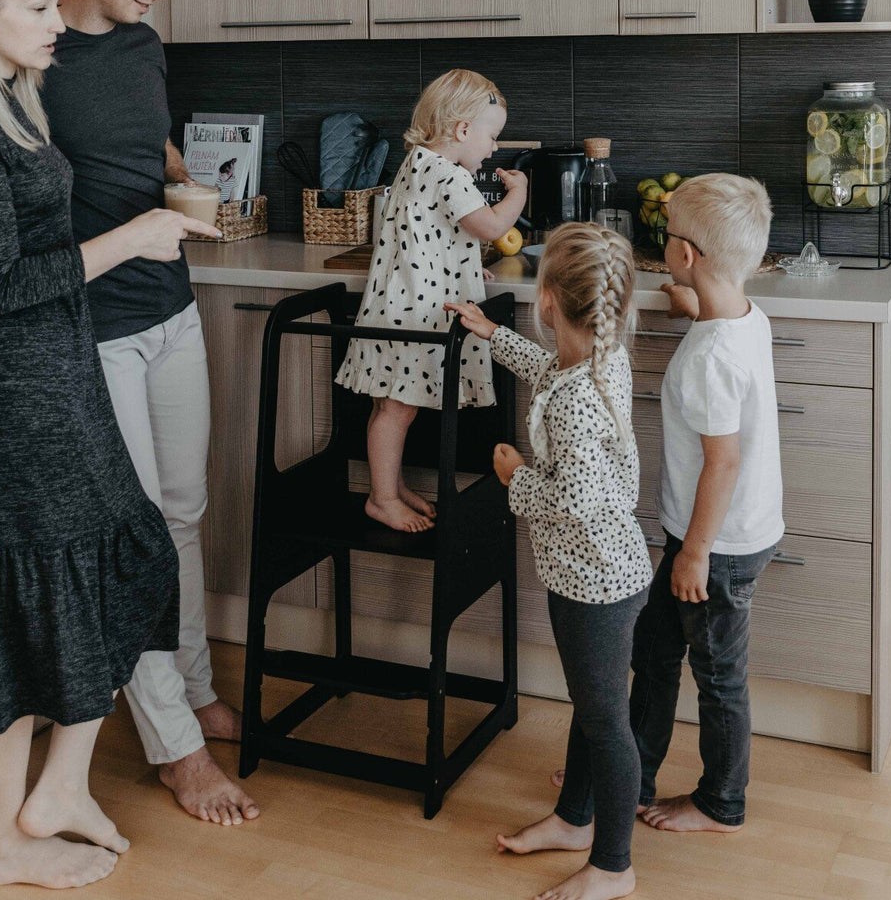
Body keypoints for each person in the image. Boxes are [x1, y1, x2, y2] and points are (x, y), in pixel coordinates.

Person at [0, 0, 258, 826]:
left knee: (179, 514)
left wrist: (192, 185)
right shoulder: (27, 58)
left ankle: (189, 689)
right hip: (81, 331)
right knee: (132, 534)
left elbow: (139, 144)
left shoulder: (134, 48)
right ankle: (174, 751)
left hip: (168, 305)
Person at [448, 222, 653, 900]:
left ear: (544, 302)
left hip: (596, 581)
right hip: (596, 574)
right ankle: (574, 820)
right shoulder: (597, 355)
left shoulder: (576, 399)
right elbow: (545, 370)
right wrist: (490, 333)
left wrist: (514, 476)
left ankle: (614, 866)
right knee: (591, 703)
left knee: (605, 722)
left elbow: (576, 495)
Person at [630, 173, 782, 834]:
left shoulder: (710, 361)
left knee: (717, 678)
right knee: (655, 649)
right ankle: (628, 768)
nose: (663, 246)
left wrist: (693, 553)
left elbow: (723, 459)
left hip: (714, 547)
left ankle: (721, 802)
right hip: (716, 534)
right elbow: (723, 349)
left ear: (686, 256)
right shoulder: (744, 318)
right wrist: (693, 306)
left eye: (667, 238)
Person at [335, 68, 527, 532]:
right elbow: (489, 227)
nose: (494, 147)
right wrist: (518, 193)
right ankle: (381, 499)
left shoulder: (417, 163)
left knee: (392, 406)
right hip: (414, 313)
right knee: (397, 408)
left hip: (399, 303)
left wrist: (461, 266)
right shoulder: (450, 175)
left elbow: (422, 236)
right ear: (462, 130)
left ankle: (390, 486)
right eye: (491, 135)